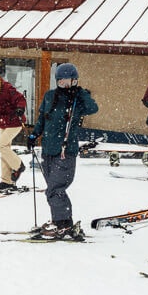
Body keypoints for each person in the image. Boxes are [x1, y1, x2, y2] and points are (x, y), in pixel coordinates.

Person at [27, 64, 98, 239]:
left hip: (66, 151)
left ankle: (60, 224)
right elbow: (42, 119)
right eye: (61, 81)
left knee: (55, 189)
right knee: (54, 189)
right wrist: (34, 135)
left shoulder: (78, 100)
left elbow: (93, 108)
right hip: (48, 150)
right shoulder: (50, 96)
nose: (64, 84)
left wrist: (81, 92)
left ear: (74, 81)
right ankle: (64, 222)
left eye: (67, 81)